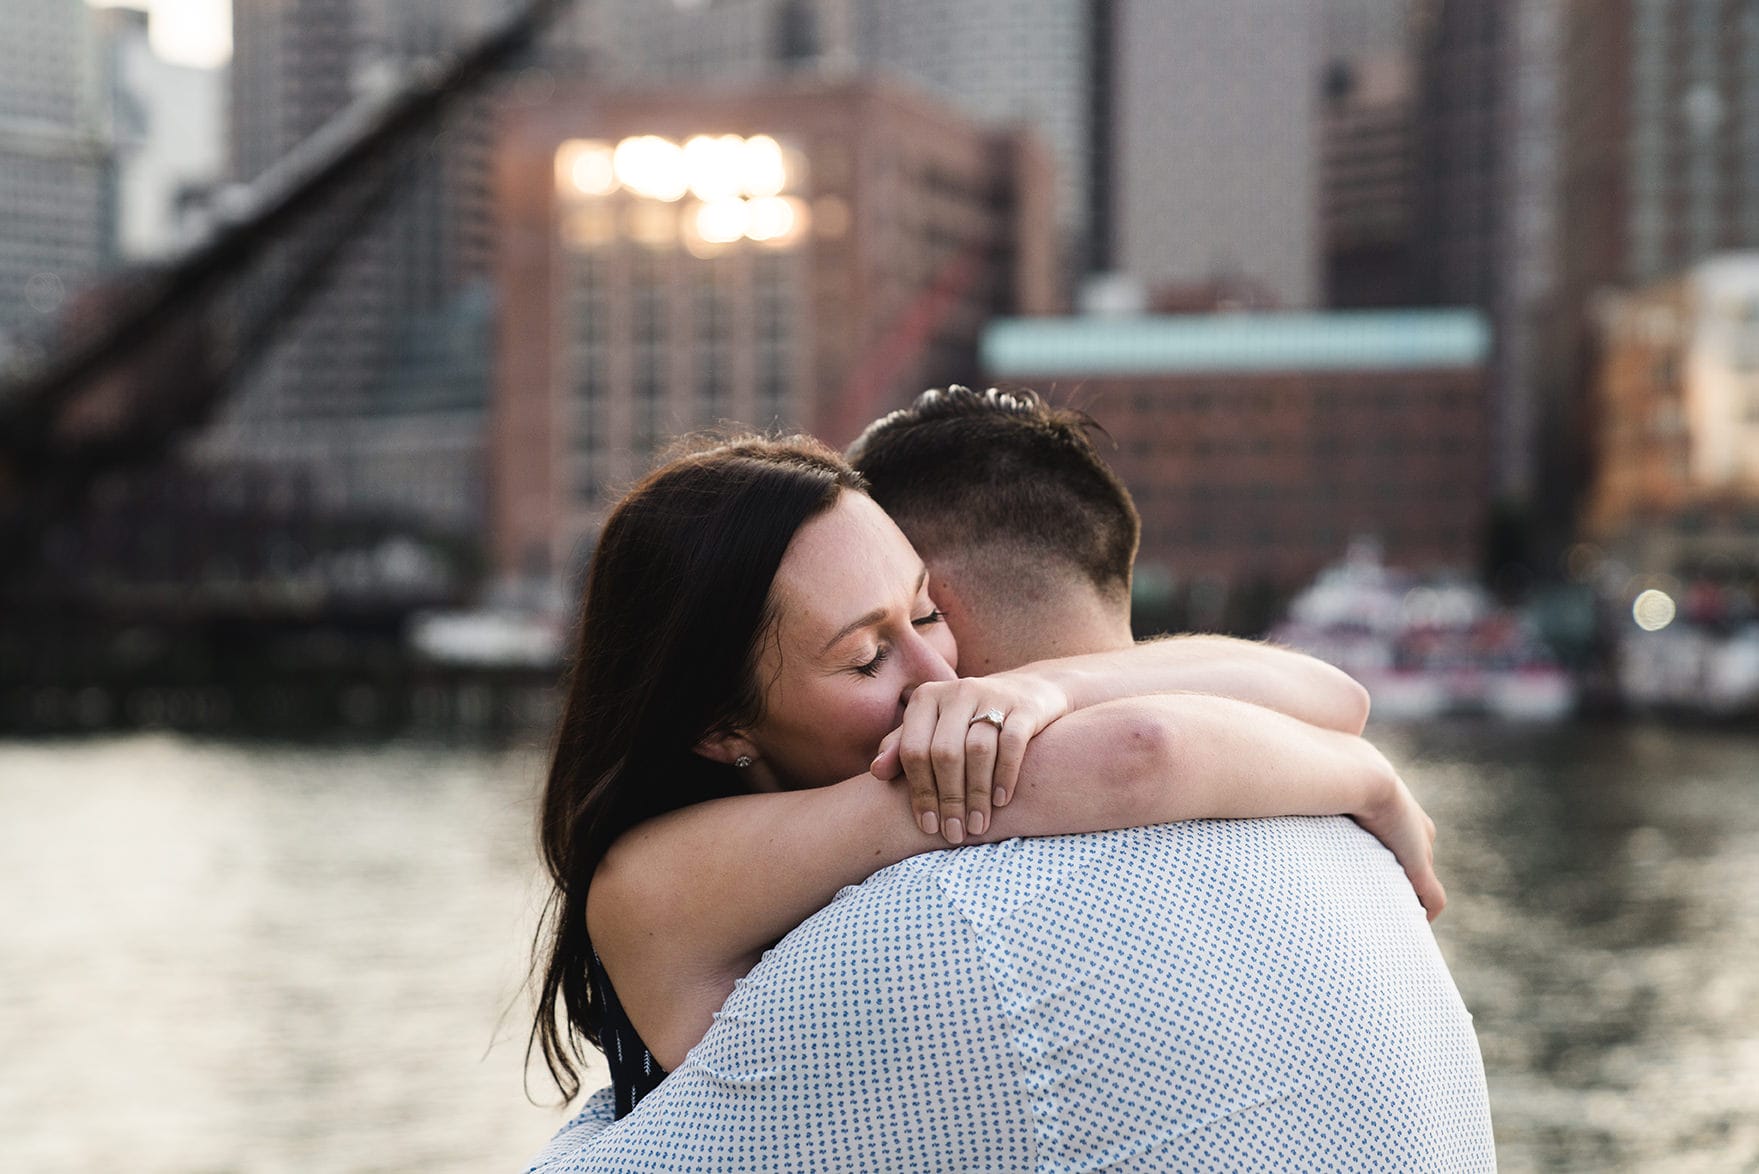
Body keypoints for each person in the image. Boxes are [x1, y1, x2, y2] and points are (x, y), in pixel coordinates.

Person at [525, 388, 1492, 1171]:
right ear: (718, 727)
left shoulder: (888, 801)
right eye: (867, 658)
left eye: (927, 611)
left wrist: (1046, 684)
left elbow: (1330, 692)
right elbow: (1142, 749)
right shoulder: (660, 877)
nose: (945, 679)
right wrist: (1361, 782)